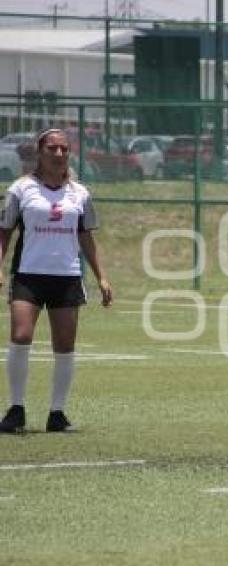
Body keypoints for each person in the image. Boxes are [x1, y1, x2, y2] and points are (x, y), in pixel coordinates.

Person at [0, 128, 113, 434]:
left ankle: (57, 414)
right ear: (40, 152)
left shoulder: (80, 193)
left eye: (64, 149)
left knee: (64, 346)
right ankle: (16, 409)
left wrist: (102, 276)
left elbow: (85, 235)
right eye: (53, 148)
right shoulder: (21, 189)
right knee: (21, 336)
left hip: (67, 278)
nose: (59, 154)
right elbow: (5, 230)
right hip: (28, 275)